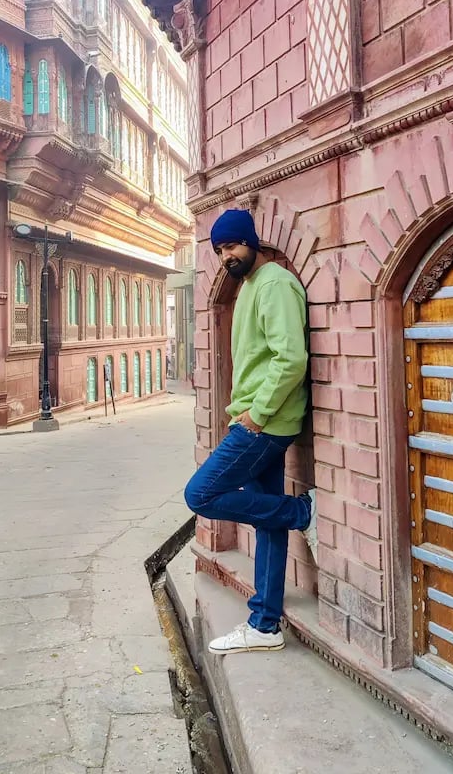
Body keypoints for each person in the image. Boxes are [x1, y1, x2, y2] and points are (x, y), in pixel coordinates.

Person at [184, 209, 317, 654]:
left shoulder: (275, 283)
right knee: (266, 520)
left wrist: (257, 414)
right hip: (259, 419)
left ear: (252, 242)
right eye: (220, 250)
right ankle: (265, 624)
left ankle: (301, 512)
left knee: (200, 495)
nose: (227, 256)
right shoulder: (249, 287)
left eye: (233, 246)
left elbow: (291, 358)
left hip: (264, 424)